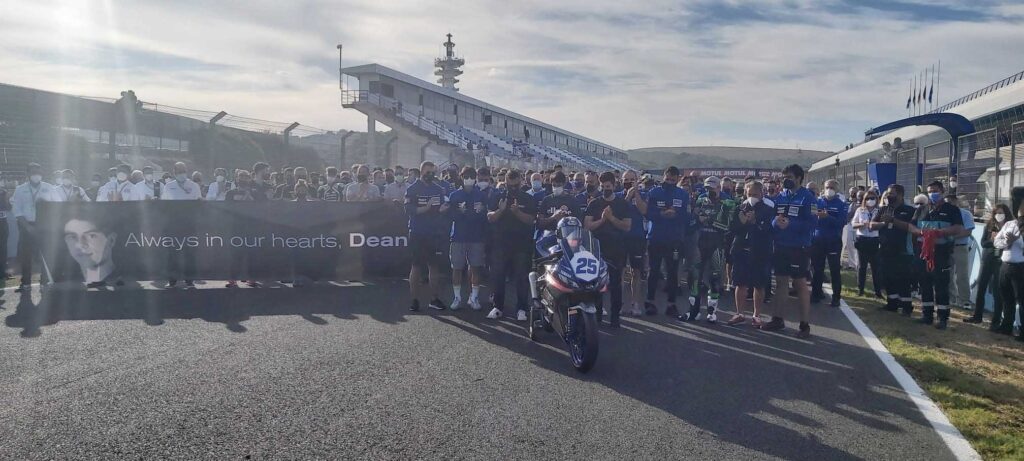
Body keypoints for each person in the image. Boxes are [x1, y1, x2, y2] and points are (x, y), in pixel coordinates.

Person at [761, 164, 817, 338]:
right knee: (780, 282)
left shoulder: (808, 198)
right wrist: (775, 222)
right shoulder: (780, 197)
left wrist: (791, 224)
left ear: (799, 178)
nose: (786, 181)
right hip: (780, 245)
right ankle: (777, 318)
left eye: (790, 177)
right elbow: (771, 219)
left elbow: (813, 223)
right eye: (784, 177)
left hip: (799, 247)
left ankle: (804, 324)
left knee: (800, 283)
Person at [909, 181, 964, 329]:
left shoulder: (952, 210)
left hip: (942, 253)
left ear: (942, 191)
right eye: (930, 191)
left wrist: (939, 233)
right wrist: (921, 232)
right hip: (924, 253)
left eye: (935, 190)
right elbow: (911, 226)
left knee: (941, 286)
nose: (932, 193)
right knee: (925, 284)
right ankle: (927, 315)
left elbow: (958, 228)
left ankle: (943, 318)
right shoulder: (922, 210)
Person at [486, 170, 537, 321]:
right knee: (498, 276)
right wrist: (501, 210)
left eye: (515, 185)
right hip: (501, 243)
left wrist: (517, 212)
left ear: (521, 182)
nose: (512, 188)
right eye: (509, 185)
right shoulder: (497, 196)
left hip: (521, 244)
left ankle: (522, 308)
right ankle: (498, 307)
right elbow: (490, 218)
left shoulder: (528, 198)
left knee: (521, 277)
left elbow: (531, 220)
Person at [682, 175, 734, 323]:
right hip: (700, 241)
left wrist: (711, 220)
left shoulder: (728, 200)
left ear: (718, 187)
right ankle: (694, 311)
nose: (708, 191)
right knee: (694, 277)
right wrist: (698, 219)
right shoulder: (700, 198)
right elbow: (693, 220)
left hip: (717, 243)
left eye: (711, 188)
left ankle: (712, 312)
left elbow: (728, 226)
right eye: (706, 188)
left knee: (715, 278)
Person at [584, 172, 632, 328]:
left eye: (608, 187)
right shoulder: (594, 203)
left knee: (615, 284)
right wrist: (603, 219)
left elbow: (626, 226)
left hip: (617, 248)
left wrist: (611, 219)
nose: (605, 189)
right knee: (596, 283)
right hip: (597, 247)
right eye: (603, 186)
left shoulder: (623, 204)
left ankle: (615, 316)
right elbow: (588, 226)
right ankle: (597, 314)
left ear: (614, 185)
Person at [726, 180, 775, 326]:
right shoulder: (739, 207)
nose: (752, 196)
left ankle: (756, 315)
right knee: (740, 283)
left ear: (761, 194)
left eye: (755, 194)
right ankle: (739, 313)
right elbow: (732, 229)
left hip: (760, 251)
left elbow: (770, 230)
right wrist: (742, 223)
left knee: (759, 285)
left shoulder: (768, 209)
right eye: (749, 194)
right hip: (741, 250)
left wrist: (755, 221)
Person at [644, 166, 689, 317]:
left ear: (677, 179)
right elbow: (648, 212)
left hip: (674, 239)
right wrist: (662, 214)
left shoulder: (683, 194)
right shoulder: (654, 192)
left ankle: (672, 304)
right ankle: (650, 302)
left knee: (672, 273)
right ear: (663, 177)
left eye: (672, 179)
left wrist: (674, 214)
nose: (669, 181)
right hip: (655, 237)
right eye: (667, 178)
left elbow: (686, 216)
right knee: (654, 271)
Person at [405, 162, 450, 312]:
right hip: (417, 232)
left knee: (434, 266)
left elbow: (441, 208)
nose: (431, 174)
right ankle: (414, 300)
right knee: (416, 267)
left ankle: (434, 299)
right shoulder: (412, 188)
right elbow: (408, 209)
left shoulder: (438, 189)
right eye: (428, 172)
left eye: (433, 172)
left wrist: (443, 209)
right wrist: (426, 208)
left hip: (433, 233)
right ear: (422, 171)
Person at [870, 184, 917, 314]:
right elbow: (871, 225)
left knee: (903, 278)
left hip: (902, 250)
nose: (889, 196)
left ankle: (906, 306)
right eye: (888, 194)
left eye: (892, 194)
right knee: (887, 277)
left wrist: (893, 220)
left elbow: (911, 227)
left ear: (900, 195)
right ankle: (892, 304)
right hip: (885, 249)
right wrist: (883, 223)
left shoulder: (909, 210)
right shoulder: (883, 209)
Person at [447, 167, 488, 310]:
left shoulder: (481, 195)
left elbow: (486, 218)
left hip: (476, 237)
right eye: (466, 176)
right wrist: (460, 212)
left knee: (476, 268)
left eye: (471, 176)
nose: (469, 179)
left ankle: (474, 297)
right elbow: (449, 216)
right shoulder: (454, 195)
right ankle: (457, 297)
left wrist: (481, 211)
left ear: (475, 177)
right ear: (461, 177)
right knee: (457, 268)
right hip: (458, 237)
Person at [12, 163, 55, 292]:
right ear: (28, 174)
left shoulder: (49, 188)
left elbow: (56, 207)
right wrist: (27, 227)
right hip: (27, 226)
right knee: (26, 255)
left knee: (45, 254)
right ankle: (25, 282)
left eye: (38, 172)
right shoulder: (20, 189)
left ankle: (45, 280)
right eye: (33, 172)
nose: (36, 174)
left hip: (44, 226)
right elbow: (17, 211)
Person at [965, 204, 1008, 325]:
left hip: (1000, 261)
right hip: (987, 259)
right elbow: (983, 243)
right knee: (981, 287)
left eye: (1001, 213)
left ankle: (996, 319)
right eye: (997, 213)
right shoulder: (989, 226)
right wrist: (993, 241)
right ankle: (977, 316)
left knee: (997, 290)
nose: (999, 215)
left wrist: (1001, 241)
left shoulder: (1009, 226)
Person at [162, 162, 201, 288]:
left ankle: (189, 280)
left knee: (190, 253)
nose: (181, 173)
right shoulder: (168, 186)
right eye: (178, 171)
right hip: (173, 224)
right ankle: (172, 280)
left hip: (189, 224)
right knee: (172, 253)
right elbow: (164, 205)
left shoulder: (194, 186)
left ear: (187, 171)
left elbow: (199, 202)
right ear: (174, 172)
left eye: (183, 170)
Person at [810, 179, 847, 307]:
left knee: (834, 270)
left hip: (833, 241)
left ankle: (836, 298)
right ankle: (816, 294)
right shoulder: (817, 202)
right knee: (817, 269)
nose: (829, 189)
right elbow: (810, 218)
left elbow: (842, 222)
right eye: (827, 187)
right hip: (817, 241)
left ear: (836, 189)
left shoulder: (841, 204)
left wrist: (828, 217)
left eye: (831, 187)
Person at [992, 202, 1024, 341]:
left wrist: (1017, 240)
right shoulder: (1009, 224)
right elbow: (996, 242)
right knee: (1007, 298)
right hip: (1005, 265)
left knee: (1021, 300)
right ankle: (1006, 326)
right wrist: (1007, 242)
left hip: (1020, 266)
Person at [62, 211, 119, 287]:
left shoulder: (129, 283)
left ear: (111, 240)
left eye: (91, 236)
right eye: (72, 237)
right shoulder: (65, 286)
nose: (80, 245)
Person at [619, 170, 648, 316]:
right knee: (622, 272)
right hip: (621, 238)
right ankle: (621, 303)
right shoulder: (619, 196)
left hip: (637, 238)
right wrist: (628, 196)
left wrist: (635, 194)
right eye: (626, 179)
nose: (629, 182)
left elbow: (644, 211)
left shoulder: (642, 195)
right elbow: (618, 211)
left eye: (632, 180)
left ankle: (635, 302)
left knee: (636, 272)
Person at [224, 170, 260, 288]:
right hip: (235, 227)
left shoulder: (255, 193)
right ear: (236, 178)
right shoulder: (230, 193)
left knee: (252, 254)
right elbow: (228, 208)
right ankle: (232, 279)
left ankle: (252, 278)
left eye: (246, 177)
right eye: (241, 177)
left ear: (250, 179)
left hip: (251, 227)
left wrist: (249, 196)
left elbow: (260, 208)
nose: (243, 179)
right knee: (235, 254)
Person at [851, 190, 883, 297]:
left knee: (876, 267)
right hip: (862, 239)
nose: (870, 201)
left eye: (872, 198)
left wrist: (876, 224)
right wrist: (861, 224)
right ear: (864, 200)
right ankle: (861, 289)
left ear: (876, 199)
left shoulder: (879, 210)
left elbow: (884, 224)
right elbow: (853, 224)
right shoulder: (860, 210)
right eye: (868, 198)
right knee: (862, 266)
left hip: (874, 240)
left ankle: (878, 291)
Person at [947, 195, 976, 311]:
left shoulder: (965, 214)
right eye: (947, 202)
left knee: (962, 275)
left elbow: (968, 231)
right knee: (947, 274)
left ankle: (964, 300)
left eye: (951, 201)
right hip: (947, 247)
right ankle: (951, 297)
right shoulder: (945, 214)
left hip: (960, 247)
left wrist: (951, 237)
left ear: (956, 201)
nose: (949, 204)